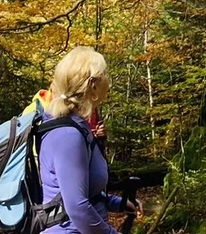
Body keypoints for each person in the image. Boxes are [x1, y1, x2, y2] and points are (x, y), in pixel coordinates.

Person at [38, 46, 140, 234]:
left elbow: (84, 192)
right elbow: (77, 208)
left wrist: (116, 203)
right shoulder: (68, 135)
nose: (108, 80)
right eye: (105, 75)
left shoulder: (78, 126)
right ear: (93, 85)